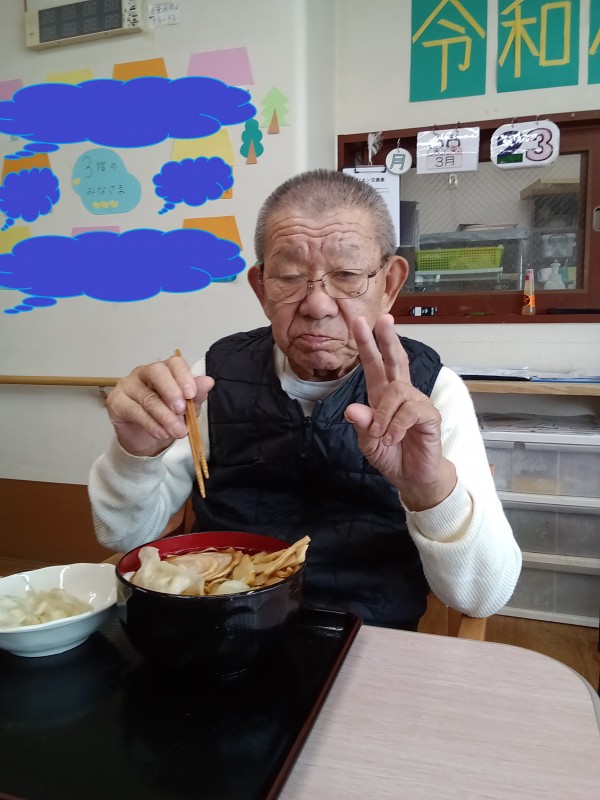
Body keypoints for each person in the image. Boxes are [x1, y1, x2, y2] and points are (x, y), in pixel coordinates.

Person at [89, 169, 521, 630]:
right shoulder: (214, 375)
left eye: (347, 275)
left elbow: (481, 598)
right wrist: (135, 456)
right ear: (261, 288)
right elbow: (123, 535)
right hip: (221, 624)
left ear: (390, 284)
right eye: (290, 276)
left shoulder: (432, 393)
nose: (317, 305)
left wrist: (429, 491)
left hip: (366, 637)